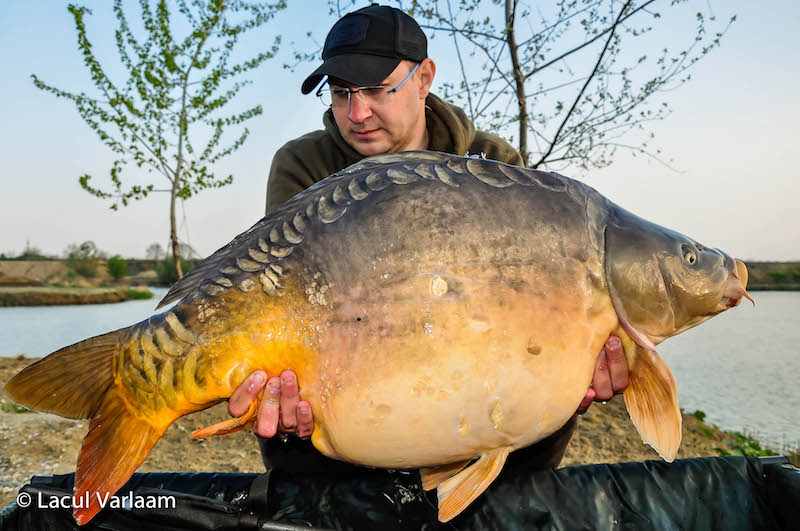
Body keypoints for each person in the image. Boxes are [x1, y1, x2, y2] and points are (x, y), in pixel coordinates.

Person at [229, 4, 629, 473]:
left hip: (468, 385)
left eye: (377, 89)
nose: (357, 113)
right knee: (290, 422)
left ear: (424, 79)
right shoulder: (304, 164)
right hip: (351, 391)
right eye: (341, 94)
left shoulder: (494, 163)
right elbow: (283, 300)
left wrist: (571, 367)